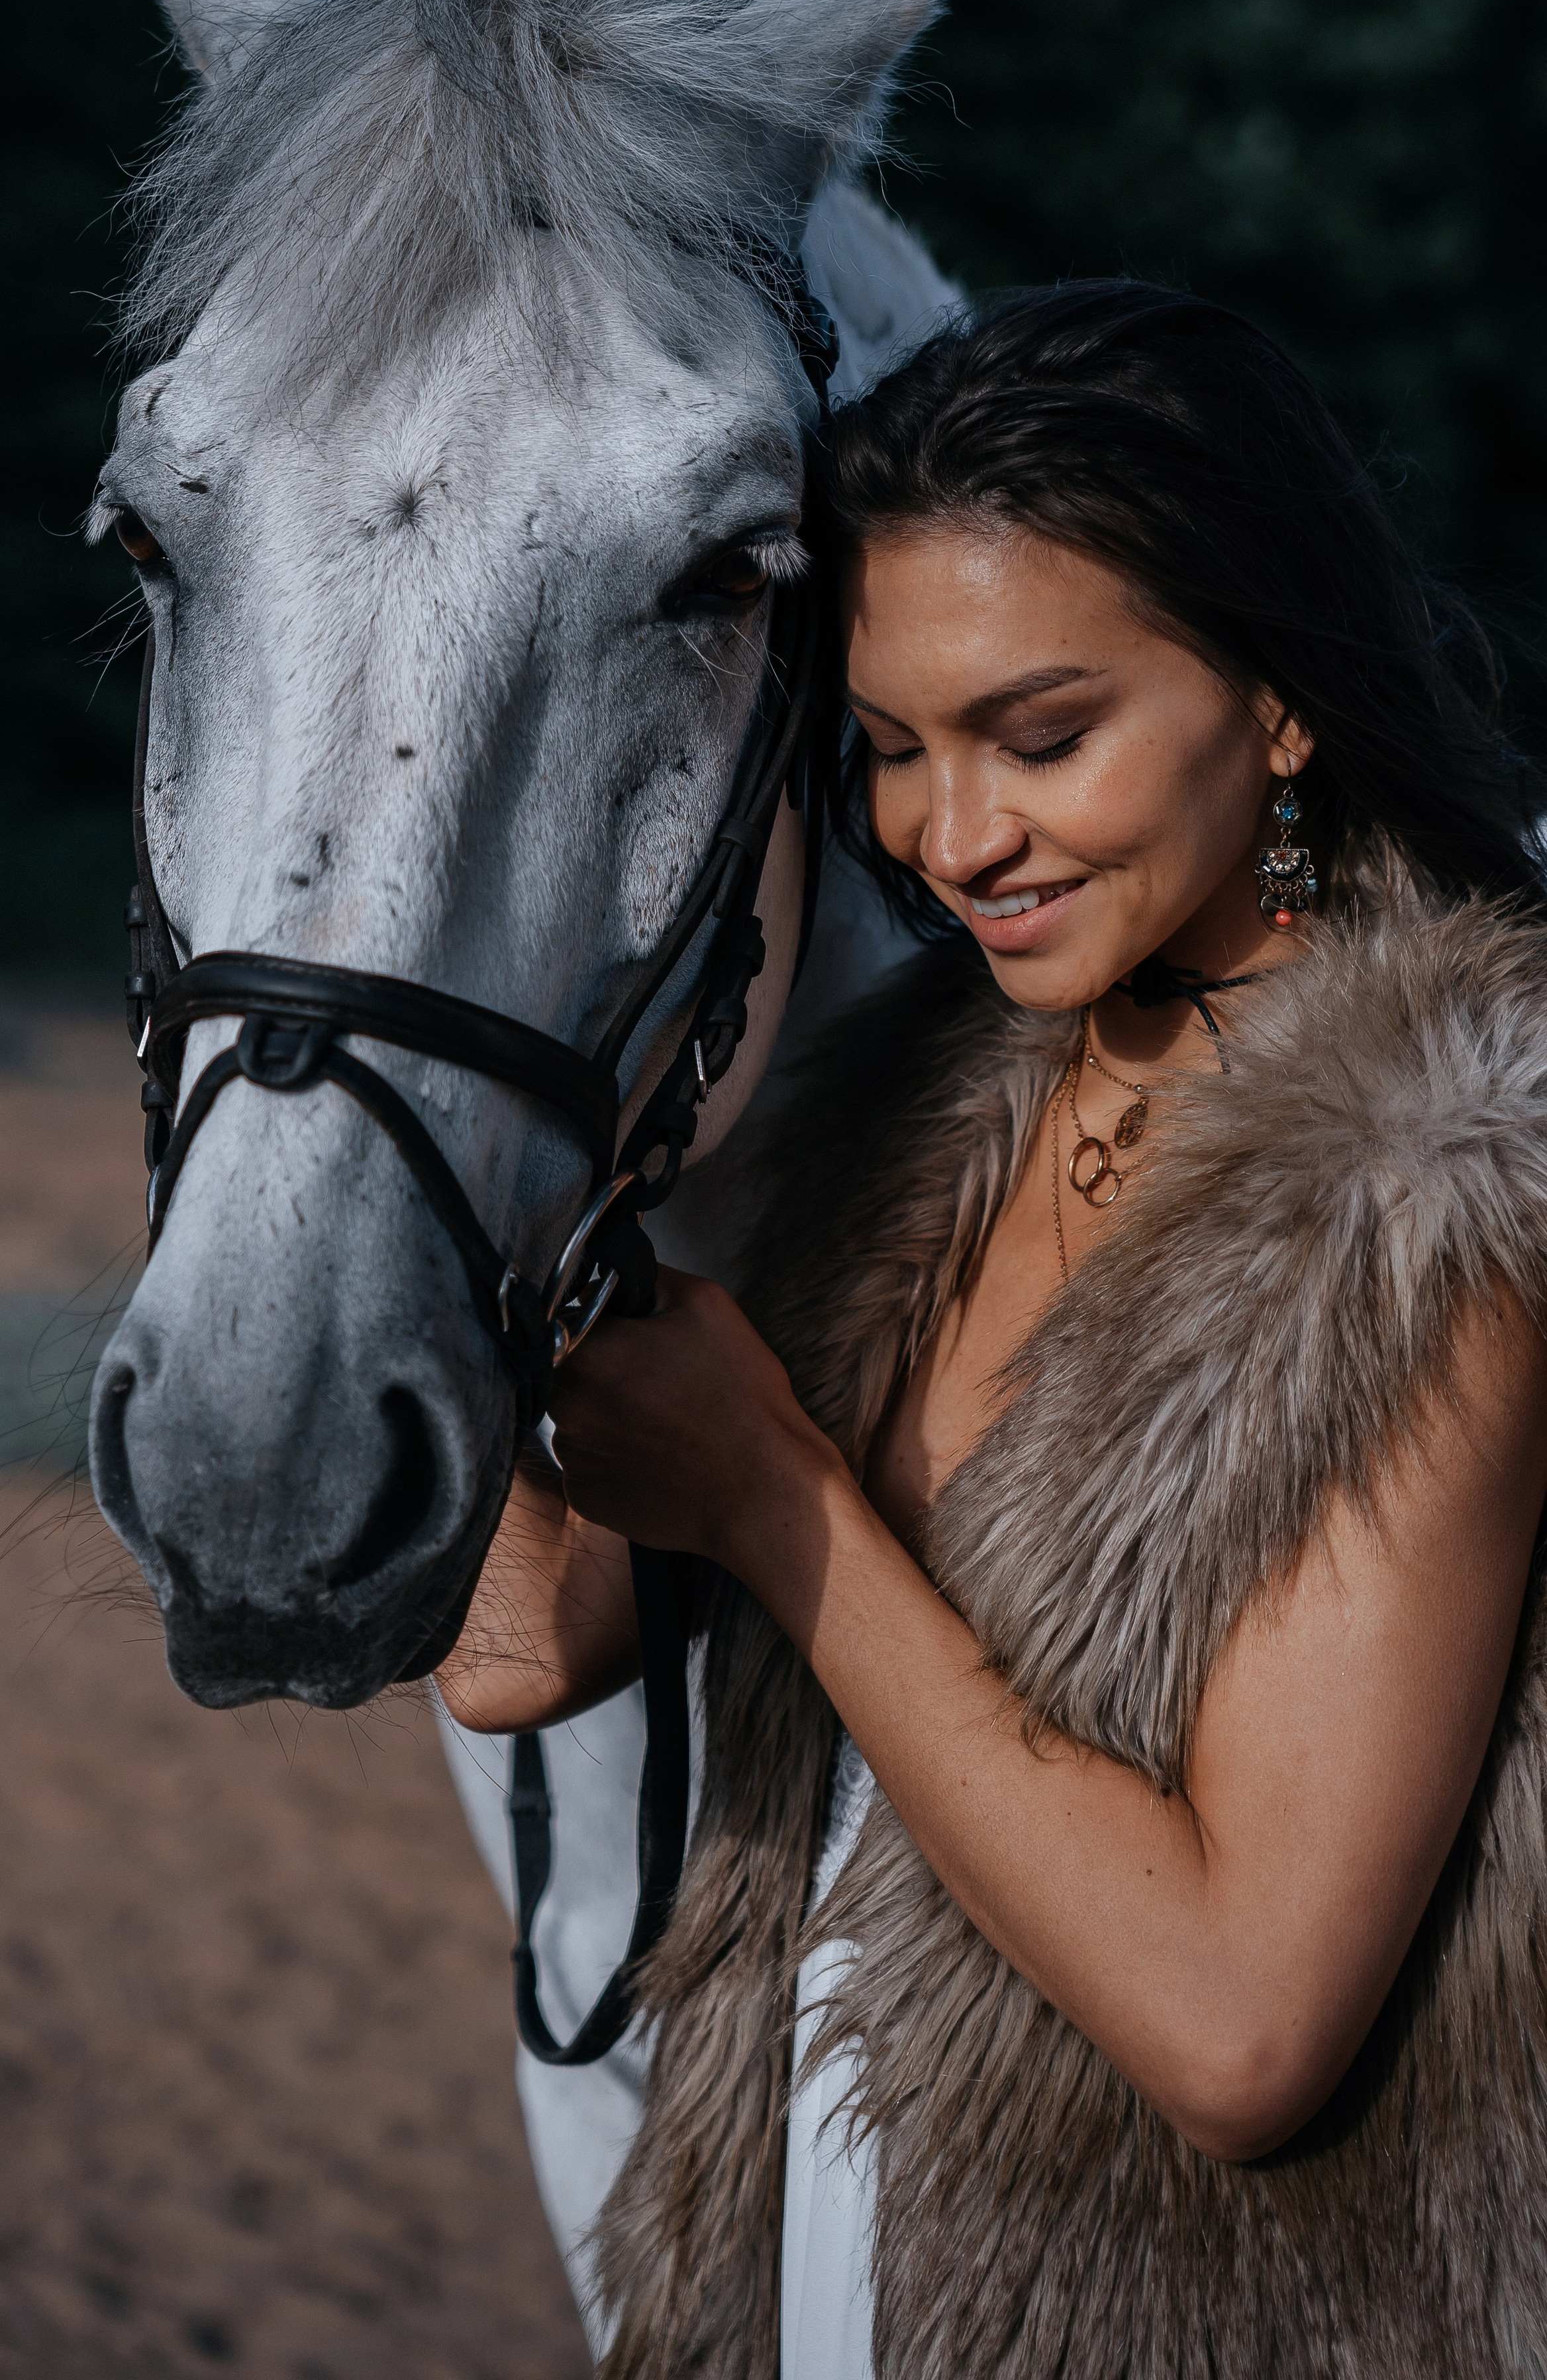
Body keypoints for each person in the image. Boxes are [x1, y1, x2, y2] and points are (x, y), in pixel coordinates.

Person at [435, 281, 1547, 2379]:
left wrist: (783, 1507)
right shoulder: (917, 1097)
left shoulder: (1444, 1188)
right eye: (887, 751)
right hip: (826, 2260)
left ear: (1283, 697)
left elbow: (1242, 2029)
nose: (955, 841)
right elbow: (520, 1655)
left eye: (1045, 737)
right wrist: (489, 1132)